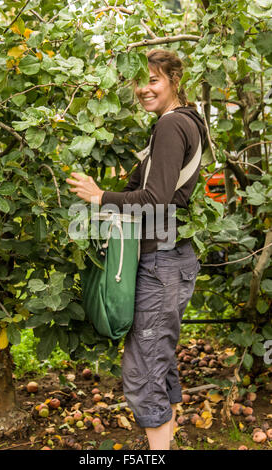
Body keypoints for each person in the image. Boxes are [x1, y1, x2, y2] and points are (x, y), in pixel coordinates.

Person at [66, 48, 207, 450]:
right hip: (172, 258)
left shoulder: (171, 126)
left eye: (153, 80)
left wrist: (100, 196)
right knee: (159, 363)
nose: (143, 89)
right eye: (138, 81)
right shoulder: (187, 121)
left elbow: (158, 199)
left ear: (174, 81)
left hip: (162, 261)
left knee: (143, 370)